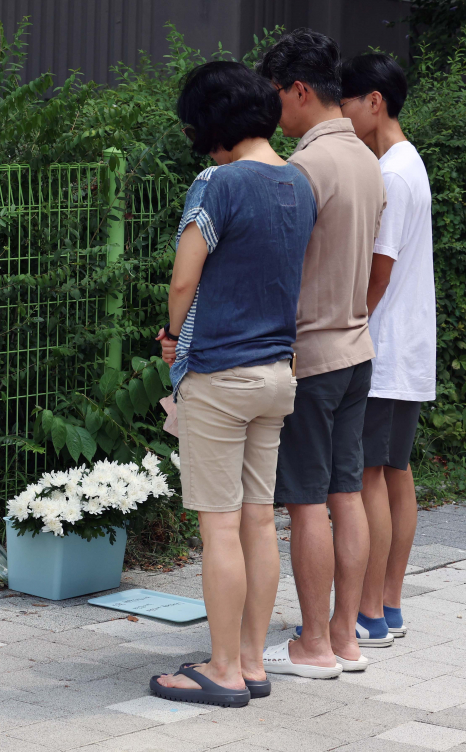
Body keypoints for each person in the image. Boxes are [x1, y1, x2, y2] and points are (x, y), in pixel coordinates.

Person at [150, 61, 315, 708]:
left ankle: (220, 670)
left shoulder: (216, 183)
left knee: (219, 528)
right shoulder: (298, 182)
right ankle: (250, 661)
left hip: (220, 376)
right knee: (257, 523)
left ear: (211, 126)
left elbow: (184, 281)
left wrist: (171, 333)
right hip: (278, 374)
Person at [256, 29, 389, 679]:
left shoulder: (307, 167)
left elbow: (281, 267)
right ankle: (345, 638)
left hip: (313, 353)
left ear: (299, 91)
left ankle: (310, 645)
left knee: (307, 501)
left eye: (276, 96)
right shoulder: (368, 158)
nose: (273, 112)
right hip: (359, 347)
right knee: (346, 494)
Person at [340, 53, 435, 640]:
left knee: (370, 477)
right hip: (409, 348)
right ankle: (389, 604)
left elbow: (378, 274)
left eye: (347, 103)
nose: (345, 116)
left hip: (386, 346)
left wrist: (348, 324)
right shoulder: (409, 162)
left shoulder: (392, 174)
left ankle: (369, 612)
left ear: (373, 101)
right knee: (394, 472)